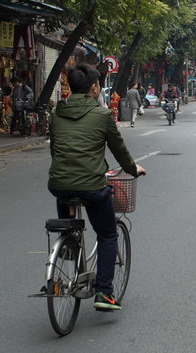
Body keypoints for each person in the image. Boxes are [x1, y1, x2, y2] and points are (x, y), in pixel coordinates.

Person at [48, 63, 146, 312]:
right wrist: (133, 169)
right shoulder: (102, 116)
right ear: (94, 88)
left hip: (59, 184)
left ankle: (67, 245)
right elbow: (119, 150)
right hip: (92, 185)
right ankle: (104, 292)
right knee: (108, 234)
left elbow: (56, 151)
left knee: (67, 203)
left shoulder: (57, 114)